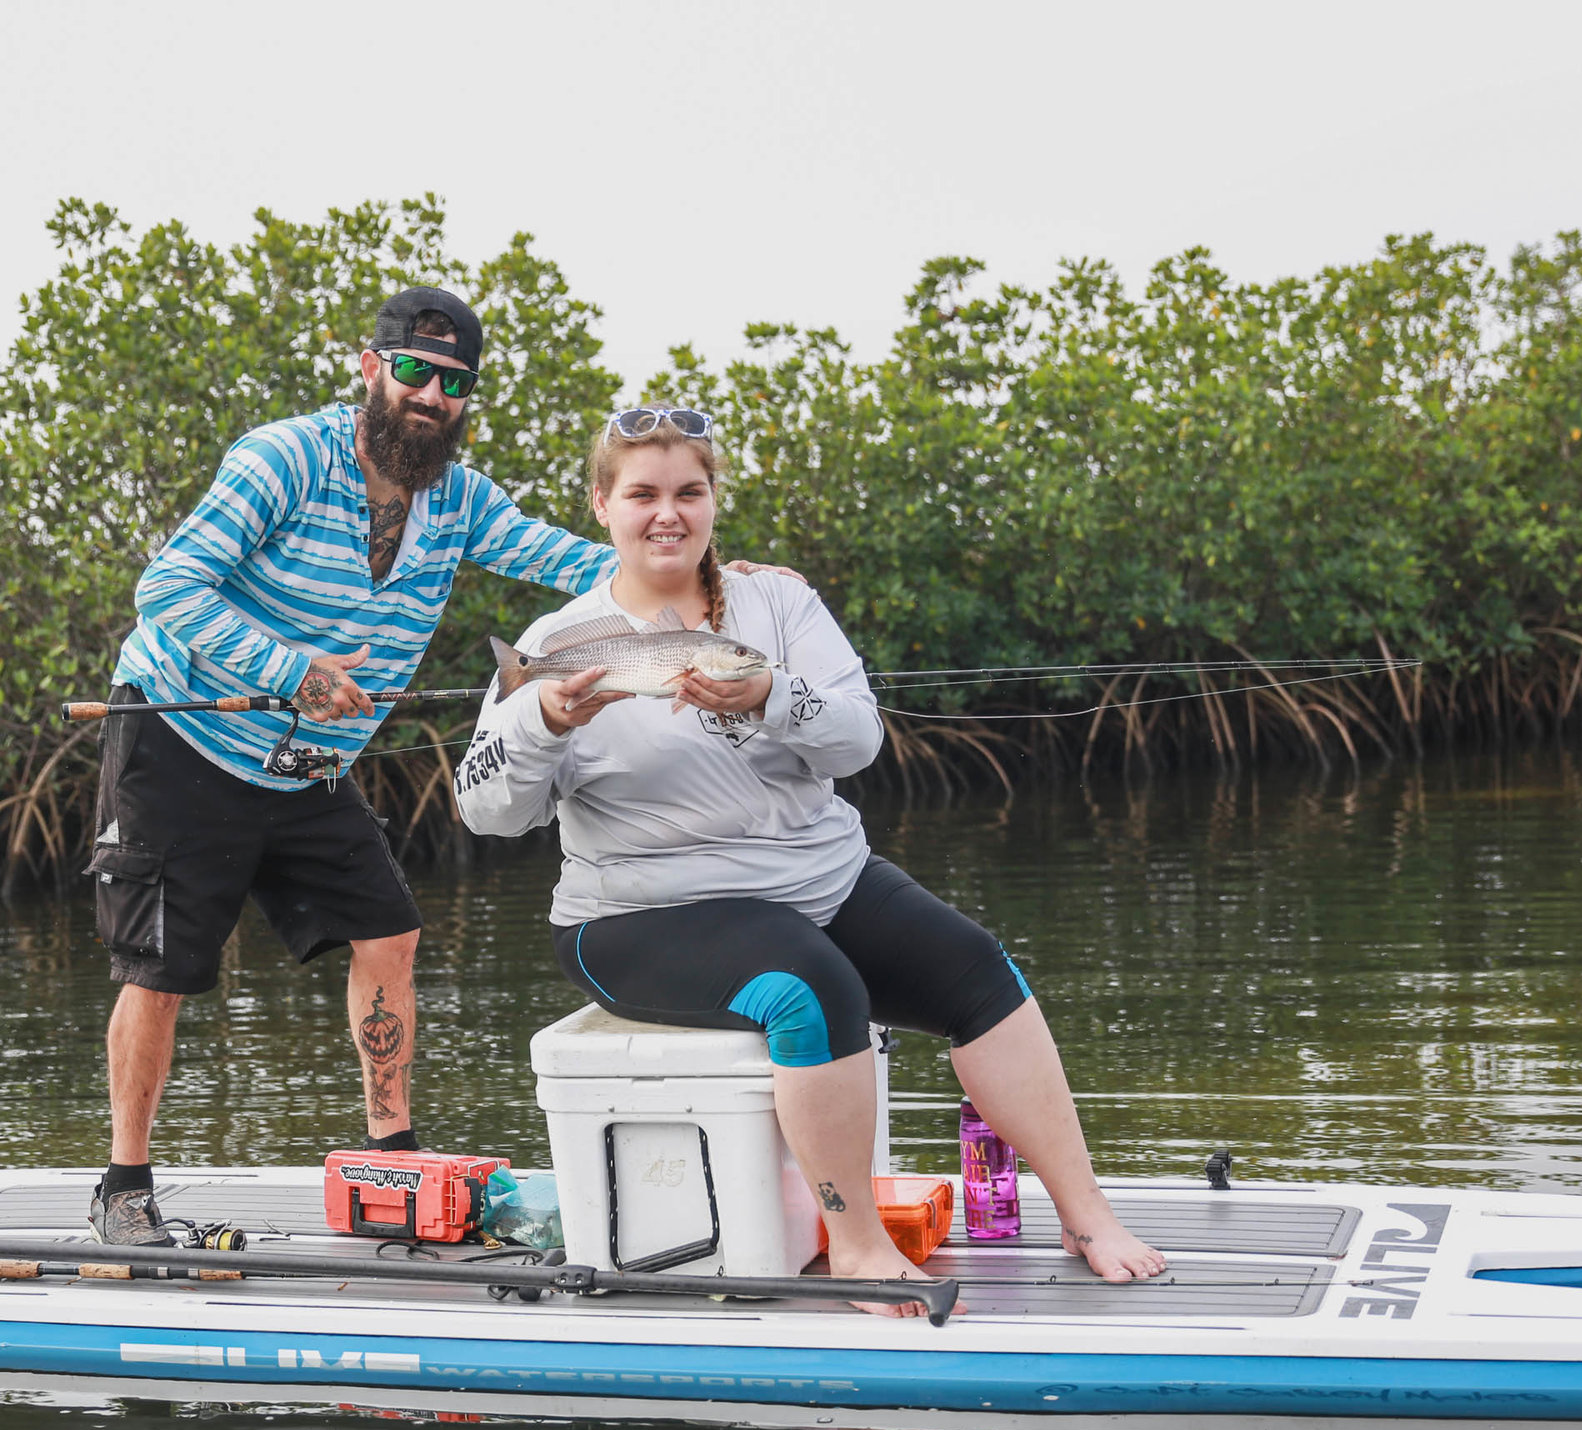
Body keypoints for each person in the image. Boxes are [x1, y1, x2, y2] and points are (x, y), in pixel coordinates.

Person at [89, 287, 797, 1247]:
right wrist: (286, 667)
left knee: (389, 934)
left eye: (454, 382)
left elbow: (572, 559)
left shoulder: (460, 500)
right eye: (415, 371)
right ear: (373, 367)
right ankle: (123, 1189)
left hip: (306, 765)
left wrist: (711, 569)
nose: (431, 394)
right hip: (185, 740)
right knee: (164, 969)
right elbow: (166, 585)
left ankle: (399, 1151)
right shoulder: (284, 457)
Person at [455, 406, 1164, 1309]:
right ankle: (860, 1246)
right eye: (642, 493)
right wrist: (544, 720)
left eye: (688, 491)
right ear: (603, 505)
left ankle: (1085, 1211)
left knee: (978, 969)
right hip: (633, 916)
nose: (666, 513)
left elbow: (859, 738)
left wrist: (772, 696)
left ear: (713, 502)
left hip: (818, 879)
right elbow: (484, 809)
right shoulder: (558, 643)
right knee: (811, 986)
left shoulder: (780, 604)